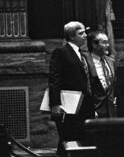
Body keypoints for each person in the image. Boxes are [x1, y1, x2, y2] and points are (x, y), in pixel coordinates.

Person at [48, 21, 95, 156]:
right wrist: (55, 103)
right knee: (68, 138)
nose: (85, 36)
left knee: (79, 139)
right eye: (81, 33)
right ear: (71, 36)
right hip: (68, 105)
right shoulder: (61, 52)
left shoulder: (82, 54)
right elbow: (54, 79)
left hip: (84, 106)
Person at [83, 31, 116, 118]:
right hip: (95, 111)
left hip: (112, 110)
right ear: (94, 44)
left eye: (108, 42)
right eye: (104, 42)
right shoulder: (85, 61)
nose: (108, 45)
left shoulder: (110, 61)